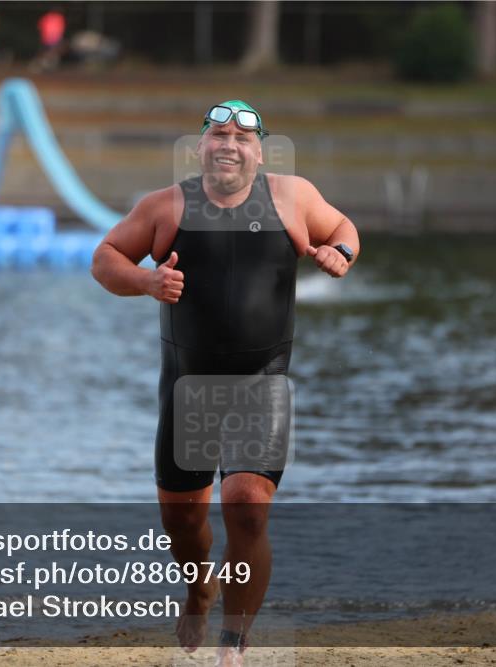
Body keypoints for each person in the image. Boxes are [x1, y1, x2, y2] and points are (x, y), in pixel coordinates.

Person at [91, 101, 359, 666]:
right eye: (218, 134)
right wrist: (146, 280)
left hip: (262, 382)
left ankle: (234, 643)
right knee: (183, 523)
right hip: (188, 387)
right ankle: (199, 588)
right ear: (201, 148)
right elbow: (105, 257)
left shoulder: (291, 197)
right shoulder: (166, 206)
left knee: (247, 507)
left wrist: (340, 252)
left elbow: (341, 227)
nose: (229, 144)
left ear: (260, 151)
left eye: (242, 136)